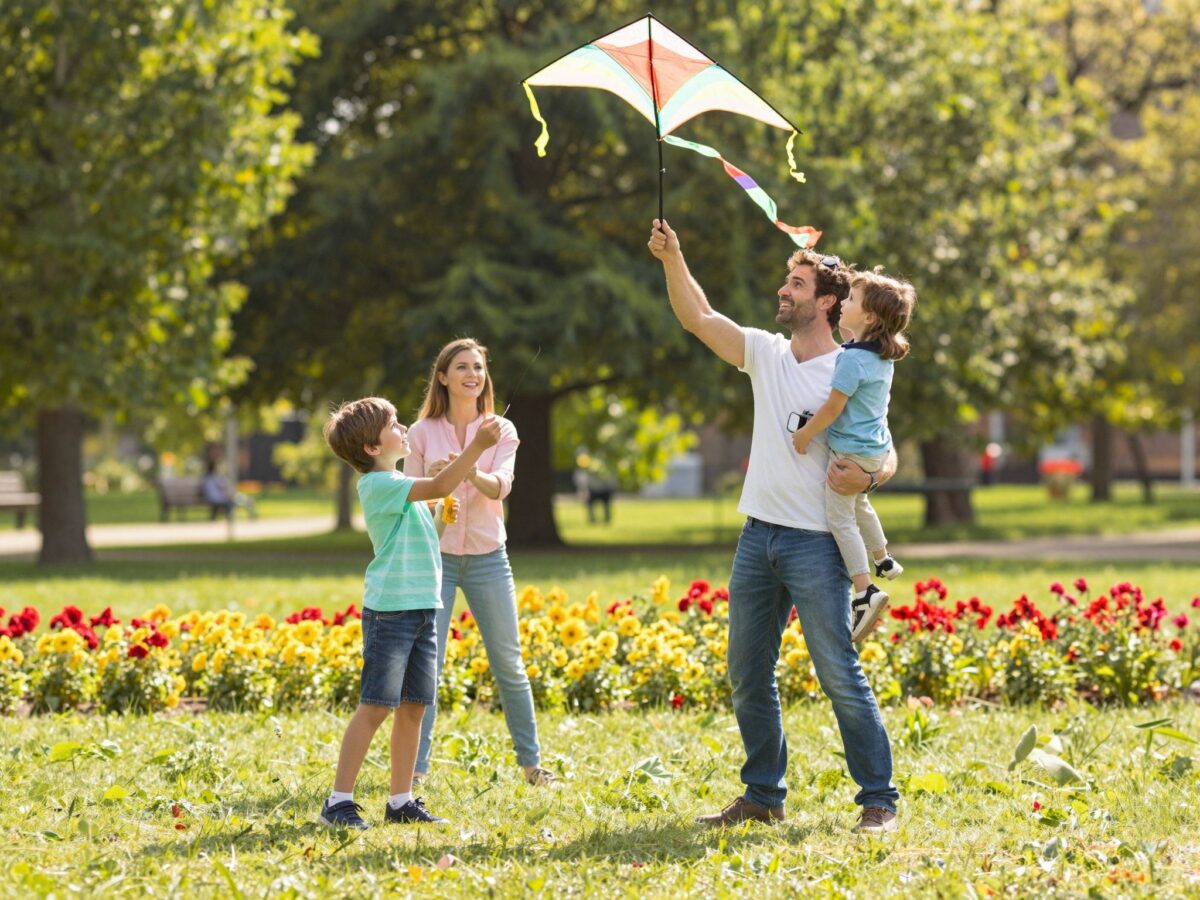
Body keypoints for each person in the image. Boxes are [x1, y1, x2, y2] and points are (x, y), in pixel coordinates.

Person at [648, 219, 900, 834]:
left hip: (818, 543)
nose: (783, 291)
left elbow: (886, 452)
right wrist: (673, 256)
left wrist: (867, 480)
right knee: (747, 673)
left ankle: (879, 801)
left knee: (838, 671)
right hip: (758, 536)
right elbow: (699, 318)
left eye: (797, 283)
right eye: (786, 280)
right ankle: (763, 796)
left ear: (828, 301)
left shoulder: (856, 367)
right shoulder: (764, 352)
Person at [319, 396, 500, 829]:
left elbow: (426, 524)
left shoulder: (400, 485)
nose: (403, 429)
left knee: (415, 706)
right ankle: (337, 801)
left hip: (422, 607)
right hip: (391, 613)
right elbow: (435, 487)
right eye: (395, 424)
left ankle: (400, 801)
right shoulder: (378, 486)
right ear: (371, 448)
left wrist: (441, 516)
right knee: (375, 707)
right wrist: (476, 448)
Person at [406, 339, 556, 787]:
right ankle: (415, 771)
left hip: (490, 557)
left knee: (509, 662)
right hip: (438, 558)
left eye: (478, 367)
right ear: (443, 377)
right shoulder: (420, 433)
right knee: (429, 666)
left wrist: (467, 468)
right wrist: (437, 482)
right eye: (461, 366)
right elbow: (412, 498)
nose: (472, 374)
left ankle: (532, 765)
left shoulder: (500, 431)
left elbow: (500, 487)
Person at [790, 268, 916, 642]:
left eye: (850, 301)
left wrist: (806, 434)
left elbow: (832, 409)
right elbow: (852, 346)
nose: (843, 303)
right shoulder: (879, 356)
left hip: (849, 454)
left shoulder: (850, 361)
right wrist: (848, 332)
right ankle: (883, 557)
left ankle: (865, 590)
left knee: (840, 518)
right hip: (875, 452)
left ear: (869, 317)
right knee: (861, 506)